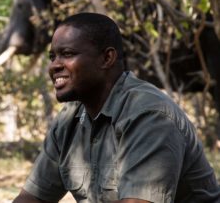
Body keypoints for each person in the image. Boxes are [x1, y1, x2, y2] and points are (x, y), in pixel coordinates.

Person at [13, 12, 220, 203]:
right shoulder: (69, 119)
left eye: (67, 54)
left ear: (107, 58)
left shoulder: (149, 115)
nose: (54, 65)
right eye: (52, 57)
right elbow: (31, 199)